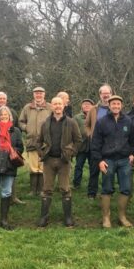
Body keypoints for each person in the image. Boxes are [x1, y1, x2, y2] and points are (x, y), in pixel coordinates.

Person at [91, 95, 134, 228]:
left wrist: (133, 153)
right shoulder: (101, 122)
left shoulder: (128, 121)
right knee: (106, 189)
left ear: (121, 105)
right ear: (109, 105)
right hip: (108, 160)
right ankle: (106, 217)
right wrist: (99, 161)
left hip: (124, 160)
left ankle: (122, 216)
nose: (116, 106)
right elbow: (95, 144)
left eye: (118, 104)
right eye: (113, 104)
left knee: (126, 188)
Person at [37, 97, 82, 227]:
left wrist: (71, 152)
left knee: (65, 188)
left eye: (60, 104)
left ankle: (68, 218)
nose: (57, 106)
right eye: (55, 104)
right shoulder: (45, 122)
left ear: (64, 106)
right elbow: (38, 141)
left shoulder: (71, 122)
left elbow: (78, 141)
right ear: (52, 106)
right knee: (47, 189)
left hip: (64, 161)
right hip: (49, 161)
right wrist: (42, 153)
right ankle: (44, 218)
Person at [19, 86, 52, 196]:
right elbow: (21, 122)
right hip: (32, 141)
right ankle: (33, 190)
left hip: (45, 143)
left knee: (43, 166)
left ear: (44, 94)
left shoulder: (49, 108)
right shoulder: (27, 108)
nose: (38, 95)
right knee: (33, 167)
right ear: (33, 95)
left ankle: (43, 190)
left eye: (40, 93)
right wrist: (26, 128)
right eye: (36, 93)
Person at [85, 84, 113, 199]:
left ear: (111, 94)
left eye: (107, 93)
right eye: (103, 93)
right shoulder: (93, 109)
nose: (105, 95)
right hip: (95, 145)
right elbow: (86, 125)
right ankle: (92, 193)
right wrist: (90, 134)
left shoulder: (115, 108)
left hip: (109, 145)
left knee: (109, 171)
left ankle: (107, 192)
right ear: (100, 95)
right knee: (94, 170)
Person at [0, 91, 24, 205]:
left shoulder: (12, 112)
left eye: (4, 98)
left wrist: (14, 150)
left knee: (11, 175)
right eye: (0, 99)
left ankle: (12, 197)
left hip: (10, 152)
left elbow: (16, 128)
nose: (2, 100)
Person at [72, 98, 94, 189]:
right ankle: (76, 184)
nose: (87, 106)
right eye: (85, 104)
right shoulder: (77, 117)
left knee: (93, 167)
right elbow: (73, 131)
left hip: (93, 146)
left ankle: (92, 185)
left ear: (92, 106)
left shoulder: (95, 117)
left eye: (89, 104)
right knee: (79, 166)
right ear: (82, 106)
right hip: (81, 146)